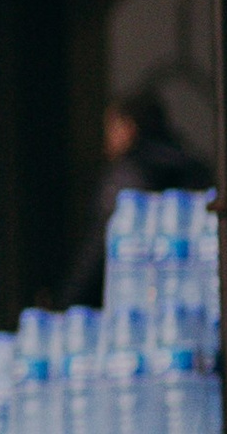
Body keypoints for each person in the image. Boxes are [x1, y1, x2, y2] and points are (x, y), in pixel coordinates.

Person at [66, 86, 207, 310]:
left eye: (110, 129)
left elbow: (97, 251)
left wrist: (69, 301)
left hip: (139, 314)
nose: (106, 142)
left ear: (128, 127)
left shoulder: (127, 175)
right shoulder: (193, 167)